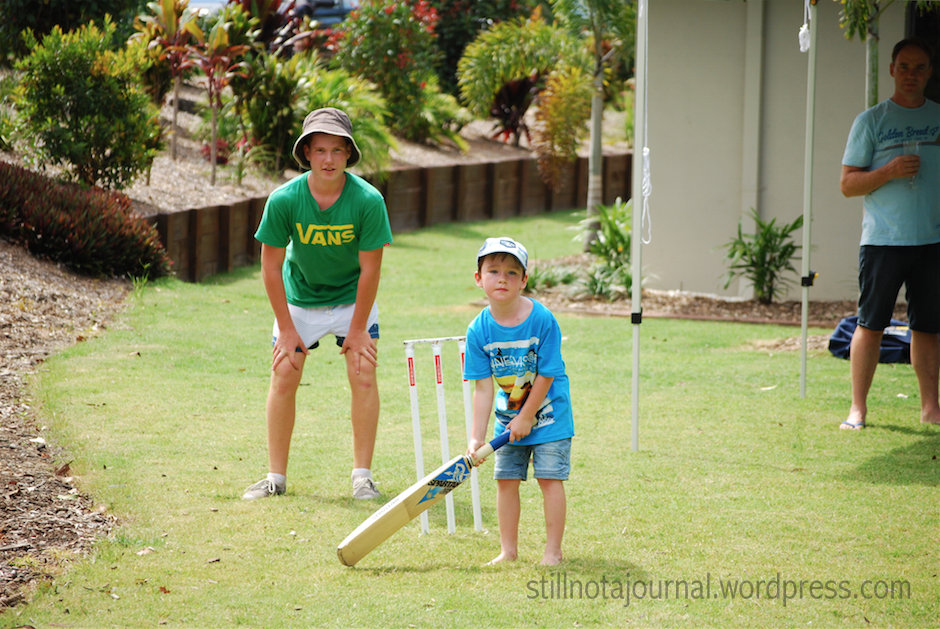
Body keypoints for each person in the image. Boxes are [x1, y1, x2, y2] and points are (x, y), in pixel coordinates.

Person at [243, 108, 393, 499]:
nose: (329, 159)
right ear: (306, 153)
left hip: (351, 300)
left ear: (348, 155)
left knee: (363, 371)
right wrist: (287, 329)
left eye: (338, 151)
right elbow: (271, 266)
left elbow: (371, 271)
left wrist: (358, 329)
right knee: (285, 372)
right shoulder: (283, 200)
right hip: (300, 300)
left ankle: (363, 478)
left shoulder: (368, 201)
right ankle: (275, 479)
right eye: (321, 150)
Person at [839, 38, 940, 430]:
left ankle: (931, 408)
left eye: (920, 67)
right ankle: (857, 409)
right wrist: (889, 172)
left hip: (932, 240)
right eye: (904, 66)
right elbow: (848, 185)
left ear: (929, 72)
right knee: (871, 324)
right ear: (893, 69)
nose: (911, 74)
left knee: (928, 326)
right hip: (884, 240)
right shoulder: (871, 121)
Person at [463, 237, 574, 565]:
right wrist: (476, 437)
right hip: (507, 419)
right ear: (478, 278)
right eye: (494, 271)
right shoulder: (478, 330)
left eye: (512, 273)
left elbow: (548, 373)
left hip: (550, 415)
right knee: (506, 480)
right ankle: (508, 551)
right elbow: (482, 389)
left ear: (524, 280)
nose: (502, 279)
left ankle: (553, 551)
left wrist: (527, 417)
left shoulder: (542, 320)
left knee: (549, 479)